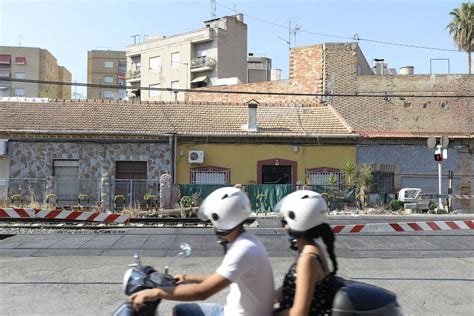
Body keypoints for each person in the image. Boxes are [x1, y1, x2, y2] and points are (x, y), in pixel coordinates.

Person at [129, 187, 275, 316]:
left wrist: (156, 293)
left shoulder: (243, 250)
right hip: (239, 311)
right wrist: (188, 278)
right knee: (180, 310)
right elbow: (221, 279)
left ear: (221, 218)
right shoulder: (248, 241)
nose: (212, 225)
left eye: (213, 220)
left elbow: (203, 292)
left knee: (181, 311)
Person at [273, 190, 340, 316]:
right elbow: (290, 288)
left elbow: (299, 313)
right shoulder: (311, 249)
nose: (283, 226)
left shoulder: (308, 259)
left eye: (284, 221)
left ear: (295, 221)